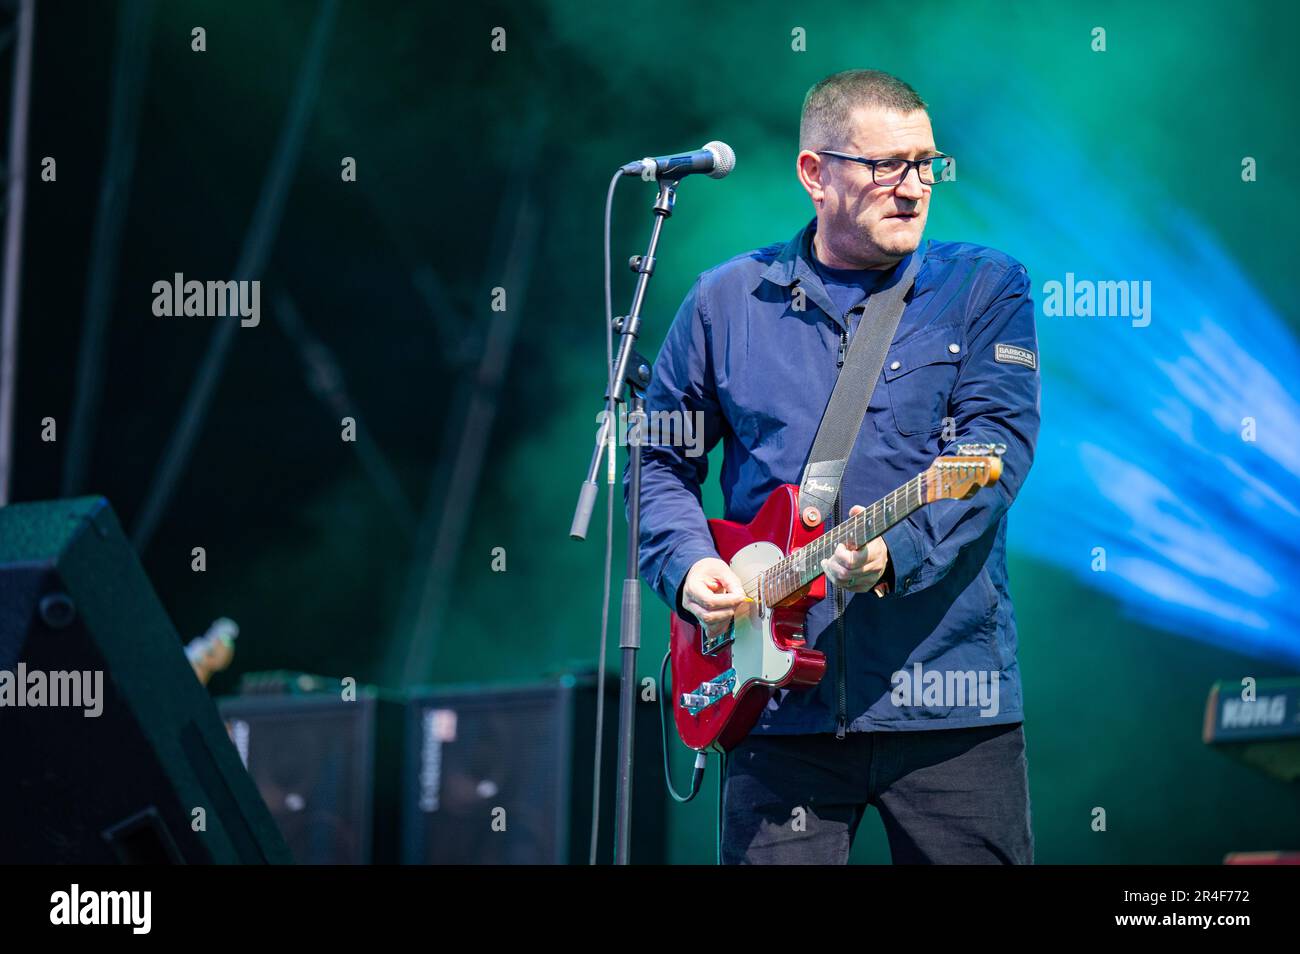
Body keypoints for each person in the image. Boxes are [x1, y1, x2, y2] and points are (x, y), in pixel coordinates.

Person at [632, 69, 1041, 864]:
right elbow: (657, 462)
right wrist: (687, 569)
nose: (915, 187)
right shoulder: (724, 301)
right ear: (814, 174)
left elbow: (993, 448)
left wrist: (896, 550)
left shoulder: (983, 286)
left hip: (948, 708)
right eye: (887, 165)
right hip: (775, 706)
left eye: (926, 163)